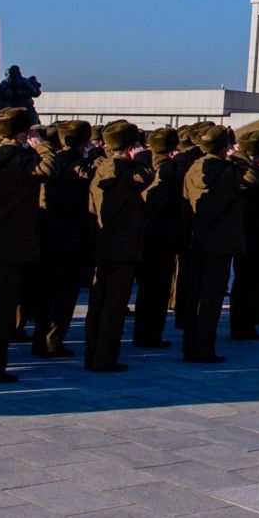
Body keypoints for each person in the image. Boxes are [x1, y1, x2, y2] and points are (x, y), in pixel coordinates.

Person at [0, 107, 45, 383]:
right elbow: (48, 168)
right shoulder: (19, 159)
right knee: (2, 310)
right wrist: (44, 147)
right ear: (21, 133)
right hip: (12, 243)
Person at [180, 126, 248, 362]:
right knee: (211, 299)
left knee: (194, 296)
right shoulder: (228, 171)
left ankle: (190, 345)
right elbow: (253, 179)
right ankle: (204, 348)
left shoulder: (193, 168)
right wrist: (239, 155)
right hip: (220, 241)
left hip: (197, 238)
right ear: (223, 147)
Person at [85, 121, 149, 372]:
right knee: (114, 305)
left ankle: (93, 354)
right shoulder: (128, 172)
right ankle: (106, 357)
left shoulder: (101, 169)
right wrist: (142, 155)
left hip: (103, 244)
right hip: (123, 246)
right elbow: (145, 177)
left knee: (98, 303)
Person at [31, 120, 92, 359]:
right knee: (65, 295)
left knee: (46, 293)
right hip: (70, 236)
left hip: (48, 233)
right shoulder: (80, 165)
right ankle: (53, 341)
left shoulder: (51, 162)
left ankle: (40, 339)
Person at [133, 126, 187, 349]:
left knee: (145, 290)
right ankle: (151, 335)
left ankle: (142, 332)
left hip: (142, 234)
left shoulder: (141, 166)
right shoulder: (170, 172)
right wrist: (181, 157)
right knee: (157, 291)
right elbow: (182, 174)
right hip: (162, 238)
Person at [229, 129, 259, 340]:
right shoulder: (255, 173)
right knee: (251, 283)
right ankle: (245, 326)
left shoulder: (233, 168)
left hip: (241, 233)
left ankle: (242, 323)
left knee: (242, 282)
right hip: (257, 234)